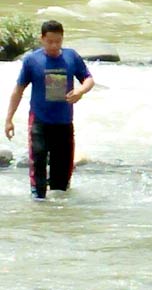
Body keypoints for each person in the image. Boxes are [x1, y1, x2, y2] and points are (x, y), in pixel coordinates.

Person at [4, 20, 95, 200]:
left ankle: (57, 220)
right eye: (50, 41)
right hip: (39, 122)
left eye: (58, 41)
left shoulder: (71, 57)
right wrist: (9, 119)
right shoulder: (32, 60)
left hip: (64, 122)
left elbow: (89, 79)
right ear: (42, 39)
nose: (54, 45)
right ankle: (38, 212)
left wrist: (80, 91)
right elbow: (18, 90)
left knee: (61, 184)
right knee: (38, 171)